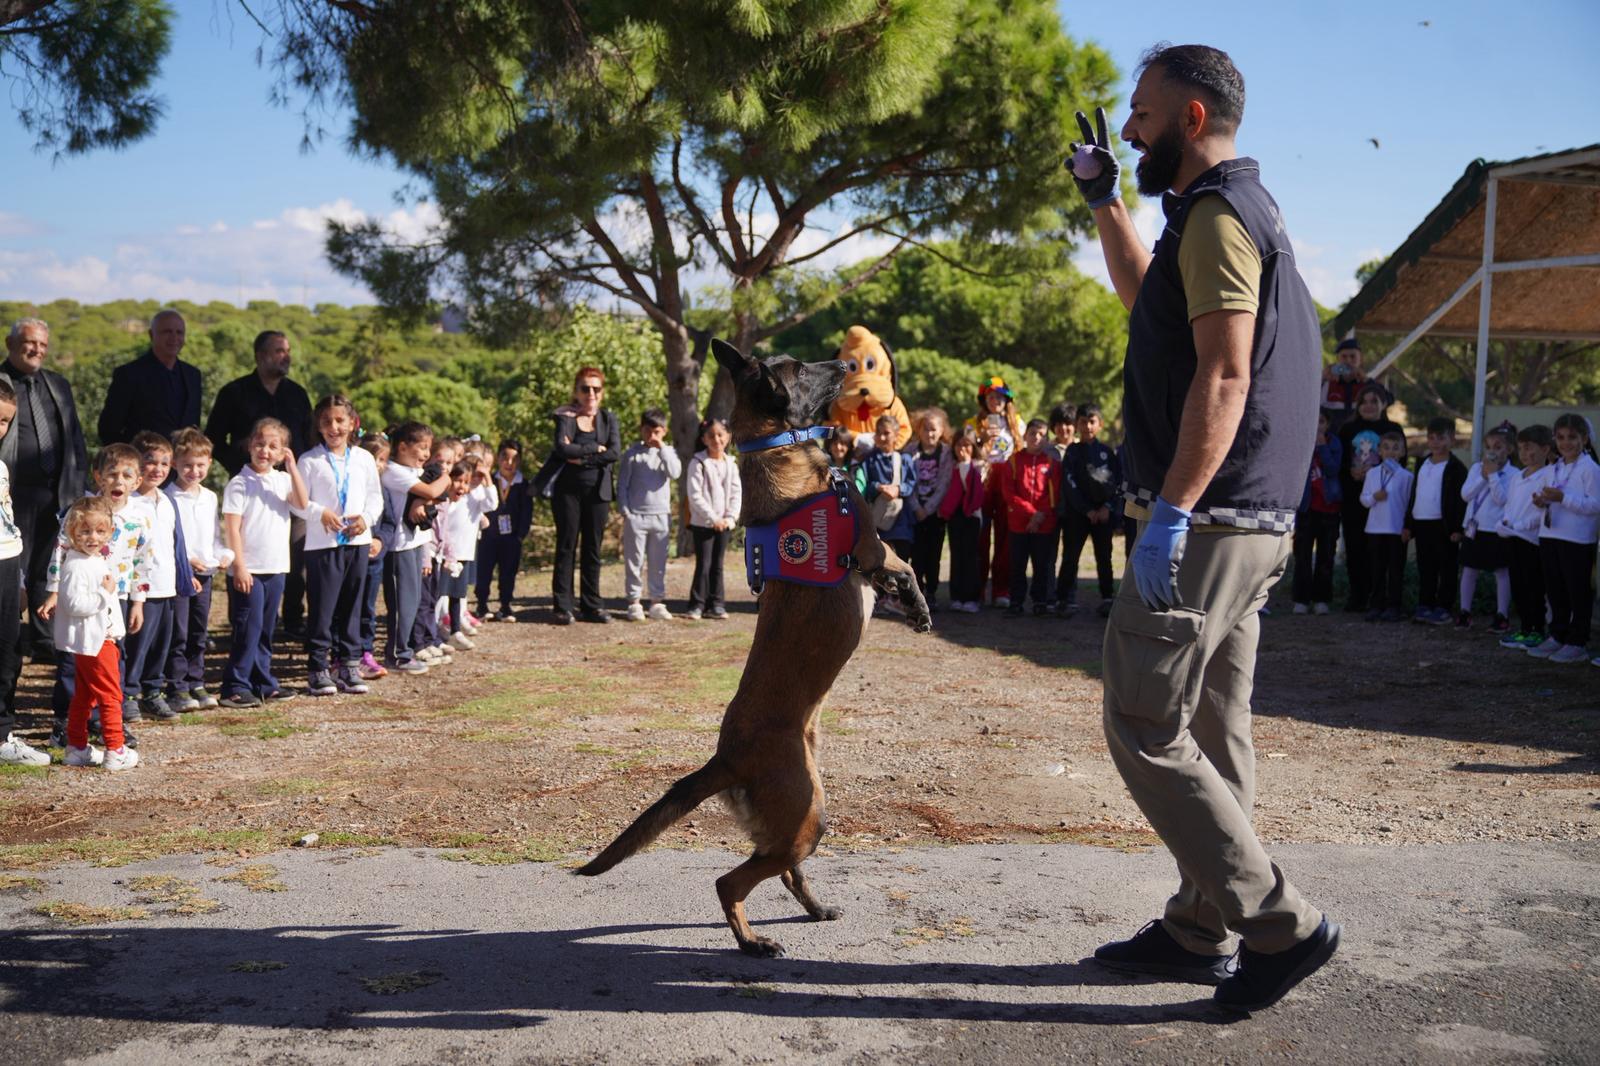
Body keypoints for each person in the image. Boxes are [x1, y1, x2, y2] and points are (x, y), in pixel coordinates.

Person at [1068, 43, 1337, 1010]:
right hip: (1246, 523)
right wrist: (1105, 200)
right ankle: (1198, 928)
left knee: (1144, 722)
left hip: (1209, 523)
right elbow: (1152, 307)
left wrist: (1169, 512)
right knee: (1216, 734)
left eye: (1140, 113)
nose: (1126, 128)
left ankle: (1279, 926)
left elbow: (1224, 374)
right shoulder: (1220, 212)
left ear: (1190, 118)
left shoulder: (1221, 216)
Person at [41, 444, 151, 751]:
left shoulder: (139, 519)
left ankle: (107, 721)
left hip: (117, 600)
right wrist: (52, 592)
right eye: (112, 474)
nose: (118, 481)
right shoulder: (80, 511)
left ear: (137, 480)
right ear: (98, 476)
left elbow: (143, 562)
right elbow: (59, 552)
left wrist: (139, 601)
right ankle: (65, 722)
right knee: (73, 658)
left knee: (111, 659)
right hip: (79, 594)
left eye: (126, 475)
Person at [205, 331, 314, 635]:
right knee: (246, 552)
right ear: (260, 355)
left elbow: (307, 439)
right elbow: (213, 438)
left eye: (287, 350)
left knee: (294, 553)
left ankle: (292, 620)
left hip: (287, 488)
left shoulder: (297, 394)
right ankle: (241, 625)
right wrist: (240, 467)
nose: (286, 356)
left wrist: (297, 476)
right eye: (278, 351)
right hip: (247, 488)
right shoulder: (234, 392)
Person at [0, 318, 90, 661]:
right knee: (11, 567)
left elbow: (75, 436)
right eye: (29, 342)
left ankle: (41, 639)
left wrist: (80, 485)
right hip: (12, 492)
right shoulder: (1, 382)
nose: (37, 349)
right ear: (10, 343)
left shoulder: (57, 383)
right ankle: (9, 635)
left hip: (56, 491)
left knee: (46, 565)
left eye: (43, 345)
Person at [219, 418, 309, 707]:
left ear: (283, 452)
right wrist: (240, 567)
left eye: (273, 446)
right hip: (250, 569)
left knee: (266, 628)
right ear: (249, 446)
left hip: (276, 567)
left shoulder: (282, 480)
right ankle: (235, 685)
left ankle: (263, 682)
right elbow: (232, 528)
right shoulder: (239, 483)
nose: (265, 451)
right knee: (248, 627)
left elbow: (303, 504)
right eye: (259, 444)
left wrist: (293, 469)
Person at [298, 396, 384, 696]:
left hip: (357, 542)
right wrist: (319, 512)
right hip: (323, 544)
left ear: (352, 423)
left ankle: (348, 663)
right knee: (323, 609)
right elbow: (298, 503)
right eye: (326, 422)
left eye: (339, 421)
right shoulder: (309, 460)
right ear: (318, 426)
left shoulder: (363, 459)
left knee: (353, 604)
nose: (334, 427)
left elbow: (375, 497)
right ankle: (318, 668)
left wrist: (367, 519)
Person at [54, 497, 138, 771]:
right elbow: (74, 604)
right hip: (95, 642)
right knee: (111, 696)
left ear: (110, 532)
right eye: (85, 531)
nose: (93, 537)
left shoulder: (93, 559)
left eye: (100, 531)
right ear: (72, 533)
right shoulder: (76, 565)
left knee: (85, 695)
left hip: (97, 640)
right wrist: (104, 593)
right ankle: (116, 749)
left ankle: (76, 747)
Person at [122, 431, 198, 722]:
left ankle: (153, 692)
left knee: (162, 645)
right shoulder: (129, 503)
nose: (157, 469)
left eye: (165, 463)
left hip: (167, 586)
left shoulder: (167, 501)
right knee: (138, 645)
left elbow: (177, 544)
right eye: (150, 461)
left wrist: (184, 576)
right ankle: (129, 693)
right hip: (141, 589)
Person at [545, 368, 620, 625]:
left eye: (596, 389)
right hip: (567, 492)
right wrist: (593, 449)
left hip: (598, 492)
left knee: (593, 549)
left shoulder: (609, 419)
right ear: (576, 391)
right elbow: (561, 448)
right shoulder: (565, 416)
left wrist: (581, 457)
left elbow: (613, 453)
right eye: (585, 388)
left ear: (602, 392)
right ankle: (562, 606)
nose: (591, 394)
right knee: (566, 547)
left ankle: (592, 605)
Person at [1526, 414, 1599, 664]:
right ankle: (1557, 635)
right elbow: (1546, 497)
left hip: (1577, 540)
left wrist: (1562, 499)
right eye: (1560, 437)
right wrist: (1540, 501)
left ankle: (1577, 641)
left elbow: (1595, 505)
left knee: (1577, 591)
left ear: (1585, 439)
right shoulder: (1554, 468)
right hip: (1550, 535)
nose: (1566, 443)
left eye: (1572, 437)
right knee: (1555, 589)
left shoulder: (1590, 469)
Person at [165, 428, 229, 711]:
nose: (194, 471)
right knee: (179, 631)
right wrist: (187, 560)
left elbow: (213, 535)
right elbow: (168, 539)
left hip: (205, 572)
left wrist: (222, 555)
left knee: (199, 631)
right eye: (187, 465)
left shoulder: (210, 497)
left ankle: (196, 681)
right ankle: (176, 686)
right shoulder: (167, 497)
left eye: (200, 465)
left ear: (209, 463)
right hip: (179, 574)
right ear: (175, 464)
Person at [0, 378, 45, 767]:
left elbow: (9, 523)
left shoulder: (1, 466)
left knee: (9, 653)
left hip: (8, 565)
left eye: (3, 422)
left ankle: (3, 735)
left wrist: (19, 581)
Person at [381, 422, 450, 673]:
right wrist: (445, 477)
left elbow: (442, 494)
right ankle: (398, 654)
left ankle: (407, 648)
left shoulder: (412, 471)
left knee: (414, 600)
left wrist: (425, 497)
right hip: (398, 546)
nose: (426, 454)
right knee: (402, 603)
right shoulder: (394, 471)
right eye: (422, 448)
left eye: (429, 448)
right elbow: (435, 488)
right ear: (402, 447)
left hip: (415, 543)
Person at [1336, 383, 1405, 613]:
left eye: (1374, 401)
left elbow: (1402, 463)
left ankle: (1382, 598)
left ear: (1383, 404)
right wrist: (1351, 471)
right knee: (1355, 547)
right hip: (1354, 498)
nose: (1368, 406)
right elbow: (1339, 461)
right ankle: (1358, 596)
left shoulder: (1393, 428)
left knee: (1379, 552)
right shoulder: (1347, 430)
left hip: (1384, 503)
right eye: (1364, 401)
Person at [97, 308, 203, 446]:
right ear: (151, 334)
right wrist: (130, 462)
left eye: (179, 332)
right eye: (167, 332)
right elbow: (108, 429)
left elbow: (194, 426)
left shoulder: (193, 375)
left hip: (184, 465)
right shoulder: (128, 374)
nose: (174, 337)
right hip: (143, 464)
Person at [617, 408, 682, 623]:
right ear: (641, 430)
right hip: (636, 516)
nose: (651, 435)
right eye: (647, 430)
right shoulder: (631, 454)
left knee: (658, 561)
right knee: (634, 561)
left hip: (661, 516)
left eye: (656, 431)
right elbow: (622, 485)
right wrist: (625, 511)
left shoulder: (668, 452)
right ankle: (634, 601)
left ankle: (657, 601)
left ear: (664, 431)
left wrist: (662, 448)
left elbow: (675, 472)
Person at [1057, 402, 1121, 618]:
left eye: (1092, 422)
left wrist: (1107, 508)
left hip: (1103, 516)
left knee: (1104, 556)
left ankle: (1107, 598)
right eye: (1083, 422)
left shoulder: (1107, 453)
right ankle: (1065, 599)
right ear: (1077, 425)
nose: (1087, 426)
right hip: (1078, 515)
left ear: (1100, 424)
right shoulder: (1072, 453)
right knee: (1070, 557)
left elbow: (1117, 483)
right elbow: (1069, 484)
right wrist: (1086, 510)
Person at [1403, 417, 1467, 625]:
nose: (1436, 442)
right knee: (1426, 567)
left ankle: (1443, 607)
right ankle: (1425, 604)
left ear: (1452, 439)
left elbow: (1460, 501)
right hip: (1422, 523)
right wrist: (1408, 525)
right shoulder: (1422, 463)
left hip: (1444, 526)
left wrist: (1458, 528)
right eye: (1432, 438)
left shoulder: (1456, 468)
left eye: (1441, 438)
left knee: (1446, 567)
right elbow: (1414, 495)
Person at [966, 378, 1024, 607]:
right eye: (990, 397)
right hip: (982, 481)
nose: (995, 401)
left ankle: (1002, 589)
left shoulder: (1017, 423)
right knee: (980, 538)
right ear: (984, 400)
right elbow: (965, 452)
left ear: (1007, 400)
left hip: (1007, 482)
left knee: (1005, 538)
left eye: (999, 397)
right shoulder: (972, 423)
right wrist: (982, 440)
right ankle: (977, 589)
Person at [1496, 425, 1554, 650]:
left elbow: (1543, 511)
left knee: (1534, 587)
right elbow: (1510, 505)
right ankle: (1525, 628)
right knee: (1518, 585)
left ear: (1545, 449)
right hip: (1513, 537)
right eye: (1520, 448)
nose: (1523, 453)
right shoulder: (1517, 477)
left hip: (1532, 540)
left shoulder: (1547, 475)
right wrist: (1505, 522)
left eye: (1529, 448)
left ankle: (1537, 630)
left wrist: (1522, 525)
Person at [1456, 421, 1516, 631]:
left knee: (1501, 571)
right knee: (1469, 569)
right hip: (1474, 528)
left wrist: (1492, 475)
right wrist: (1483, 476)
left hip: (1496, 529)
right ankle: (1464, 612)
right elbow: (1466, 495)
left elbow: (1502, 499)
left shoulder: (1513, 474)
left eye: (1498, 447)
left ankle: (1502, 614)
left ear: (1509, 450)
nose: (1492, 452)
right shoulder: (1476, 468)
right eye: (1489, 447)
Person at [997, 418, 1059, 616]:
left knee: (1041, 565)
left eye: (1042, 435)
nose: (1036, 438)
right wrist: (1032, 514)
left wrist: (1040, 516)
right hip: (1019, 524)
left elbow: (1054, 495)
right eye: (1033, 433)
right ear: (1025, 435)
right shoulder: (1013, 461)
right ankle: (1016, 602)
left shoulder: (1052, 464)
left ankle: (1040, 601)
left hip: (1044, 525)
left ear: (1047, 440)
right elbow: (1009, 493)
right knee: (1017, 565)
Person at [683, 416, 740, 621]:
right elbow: (695, 495)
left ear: (728, 437)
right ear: (704, 439)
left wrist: (730, 518)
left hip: (724, 524)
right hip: (703, 524)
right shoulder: (698, 462)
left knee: (718, 563)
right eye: (711, 436)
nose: (716, 439)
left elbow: (736, 493)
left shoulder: (731, 464)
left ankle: (716, 604)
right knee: (704, 563)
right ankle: (697, 604)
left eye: (720, 435)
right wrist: (713, 518)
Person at [475, 439, 532, 623]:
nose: (509, 463)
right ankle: (482, 604)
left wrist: (521, 535)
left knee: (509, 571)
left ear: (520, 461)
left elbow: (527, 512)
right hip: (489, 535)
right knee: (484, 570)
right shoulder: (489, 479)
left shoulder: (524, 484)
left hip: (512, 537)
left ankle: (506, 605)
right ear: (498, 459)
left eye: (515, 459)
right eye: (505, 458)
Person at [1290, 412, 1342, 615]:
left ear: (1328, 424)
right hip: (1306, 508)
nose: (1318, 425)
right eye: (1315, 420)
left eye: (1322, 421)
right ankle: (1301, 599)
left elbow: (1332, 470)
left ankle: (1322, 598)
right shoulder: (1301, 441)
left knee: (1326, 555)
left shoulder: (1334, 443)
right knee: (1302, 555)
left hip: (1329, 508)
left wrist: (1322, 447)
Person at [1360, 431, 1413, 622]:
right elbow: (1364, 499)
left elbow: (1409, 504)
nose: (1390, 452)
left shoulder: (1406, 476)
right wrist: (1374, 497)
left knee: (1396, 570)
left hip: (1396, 529)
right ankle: (1376, 605)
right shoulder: (1372, 474)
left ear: (1402, 452)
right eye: (1386, 447)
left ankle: (1394, 606)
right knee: (1377, 569)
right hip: (1375, 529)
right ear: (1379, 451)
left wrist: (1407, 528)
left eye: (1395, 448)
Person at [906, 407, 953, 610]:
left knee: (934, 554)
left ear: (942, 430)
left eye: (934, 429)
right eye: (926, 429)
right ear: (919, 430)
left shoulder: (946, 453)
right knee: (917, 554)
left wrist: (930, 507)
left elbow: (944, 483)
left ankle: (932, 591)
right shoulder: (910, 452)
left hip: (936, 514)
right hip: (915, 512)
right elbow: (907, 480)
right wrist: (917, 507)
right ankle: (918, 592)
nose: (930, 434)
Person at [355, 432, 393, 680]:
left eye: (382, 460)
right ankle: (342, 653)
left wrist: (380, 540)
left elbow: (390, 523)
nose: (378, 465)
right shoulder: (353, 485)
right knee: (347, 607)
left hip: (373, 561)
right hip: (350, 558)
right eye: (373, 458)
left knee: (367, 608)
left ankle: (365, 653)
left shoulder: (384, 490)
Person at [939, 425, 986, 613]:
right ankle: (956, 596)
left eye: (967, 445)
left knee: (971, 557)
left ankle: (972, 597)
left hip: (972, 516)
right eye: (959, 445)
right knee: (956, 556)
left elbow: (976, 494)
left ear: (974, 447)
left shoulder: (979, 467)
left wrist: (967, 464)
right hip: (955, 517)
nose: (962, 449)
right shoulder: (951, 466)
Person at [863, 414, 917, 571]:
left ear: (896, 435)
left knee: (901, 556)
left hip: (900, 517)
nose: (882, 437)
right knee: (881, 558)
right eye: (878, 433)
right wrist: (878, 487)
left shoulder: (904, 459)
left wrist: (898, 489)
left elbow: (911, 483)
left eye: (886, 433)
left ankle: (899, 594)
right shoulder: (870, 460)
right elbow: (865, 485)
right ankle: (884, 593)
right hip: (879, 518)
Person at [1319, 338, 1368, 433]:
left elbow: (1387, 399)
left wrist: (1367, 381)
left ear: (1360, 359)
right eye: (1344, 357)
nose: (1348, 361)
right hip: (1331, 439)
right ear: (1338, 359)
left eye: (1353, 356)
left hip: (1360, 439)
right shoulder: (1328, 383)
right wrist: (1322, 379)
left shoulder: (1366, 384)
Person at [824, 427, 866, 494]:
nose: (838, 447)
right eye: (835, 443)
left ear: (849, 446)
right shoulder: (823, 469)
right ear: (829, 446)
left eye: (842, 443)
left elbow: (859, 492)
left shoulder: (855, 469)